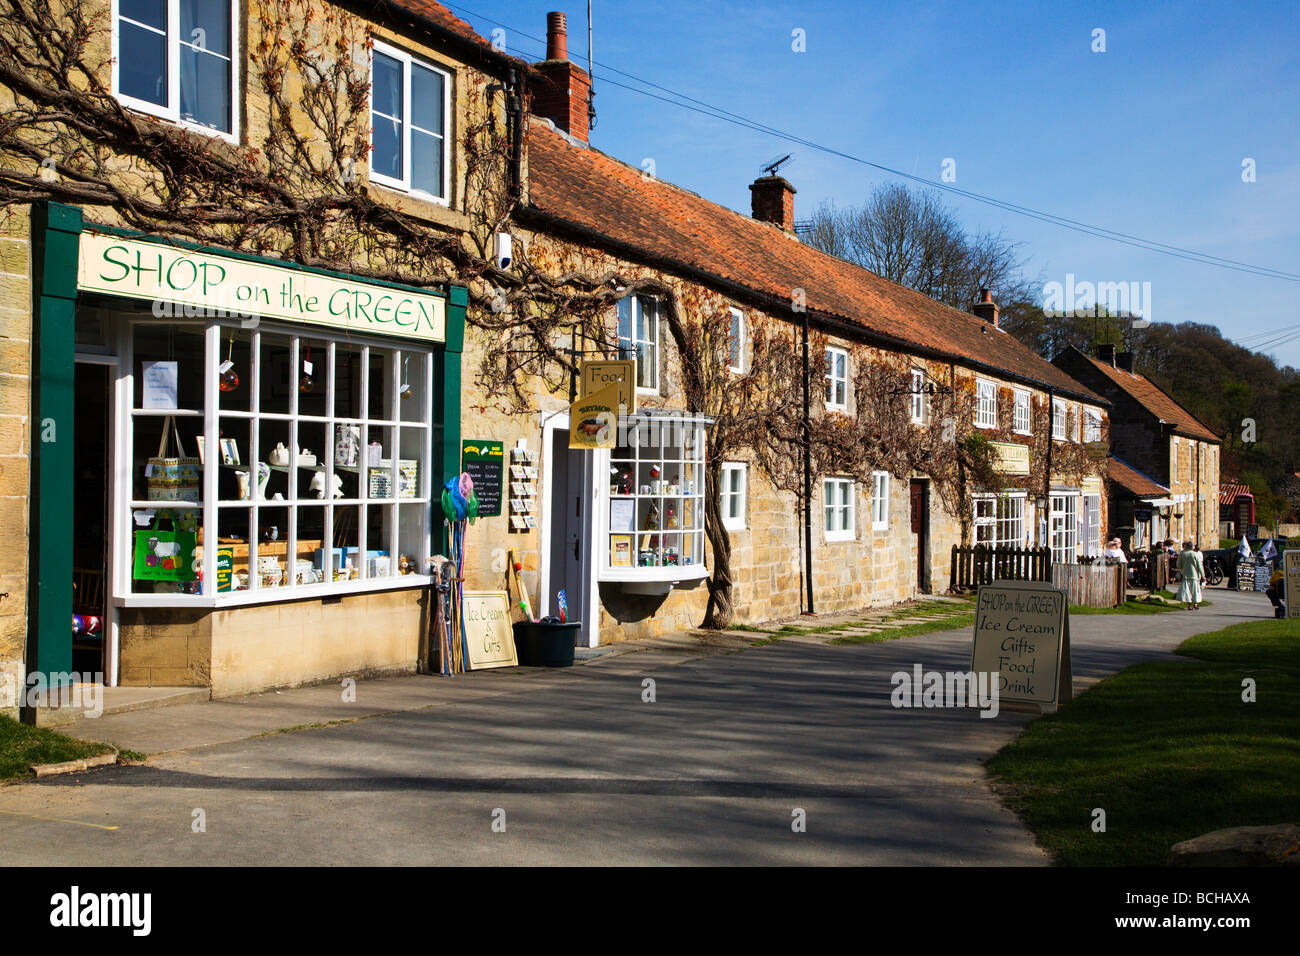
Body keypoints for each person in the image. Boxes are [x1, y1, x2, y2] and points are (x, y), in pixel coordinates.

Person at [1175, 540, 1206, 610]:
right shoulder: (1195, 554)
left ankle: (1189, 605)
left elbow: (1178, 565)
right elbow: (1200, 566)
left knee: (1187, 590)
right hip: (1194, 575)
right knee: (1195, 590)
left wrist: (1182, 567)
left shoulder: (1182, 554)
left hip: (1185, 575)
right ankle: (1195, 604)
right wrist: (1203, 576)